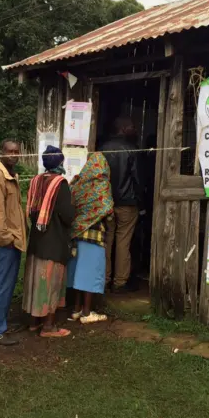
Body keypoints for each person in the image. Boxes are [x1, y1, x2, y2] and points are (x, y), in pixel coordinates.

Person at [22, 146, 75, 338]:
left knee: (36, 281)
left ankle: (34, 322)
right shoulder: (59, 184)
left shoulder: (37, 180)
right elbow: (67, 215)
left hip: (37, 240)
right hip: (54, 241)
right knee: (51, 282)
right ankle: (49, 326)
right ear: (60, 162)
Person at [0, 139, 27, 346]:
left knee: (7, 284)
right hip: (6, 242)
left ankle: (0, 324)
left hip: (13, 241)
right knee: (1, 285)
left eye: (16, 151)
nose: (13, 154)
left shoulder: (9, 175)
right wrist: (7, 239)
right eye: (9, 151)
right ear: (2, 153)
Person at [67, 152, 113, 324]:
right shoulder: (102, 185)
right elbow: (107, 210)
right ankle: (87, 313)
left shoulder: (77, 185)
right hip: (94, 235)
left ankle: (76, 310)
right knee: (90, 274)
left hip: (76, 234)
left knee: (78, 272)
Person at [100, 116, 144, 293]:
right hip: (127, 203)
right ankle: (120, 282)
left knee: (107, 241)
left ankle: (104, 279)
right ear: (124, 129)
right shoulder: (132, 150)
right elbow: (137, 179)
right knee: (123, 243)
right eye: (132, 126)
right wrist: (141, 203)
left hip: (107, 203)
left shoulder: (101, 150)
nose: (134, 129)